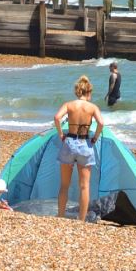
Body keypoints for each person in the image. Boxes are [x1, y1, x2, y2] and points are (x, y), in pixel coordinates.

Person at [52, 75, 106, 223]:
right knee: (84, 186)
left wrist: (61, 134)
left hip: (69, 142)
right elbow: (101, 123)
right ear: (88, 92)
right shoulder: (92, 107)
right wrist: (94, 138)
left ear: (78, 91)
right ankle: (81, 219)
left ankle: (61, 215)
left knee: (64, 184)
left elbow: (57, 118)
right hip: (84, 144)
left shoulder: (69, 105)